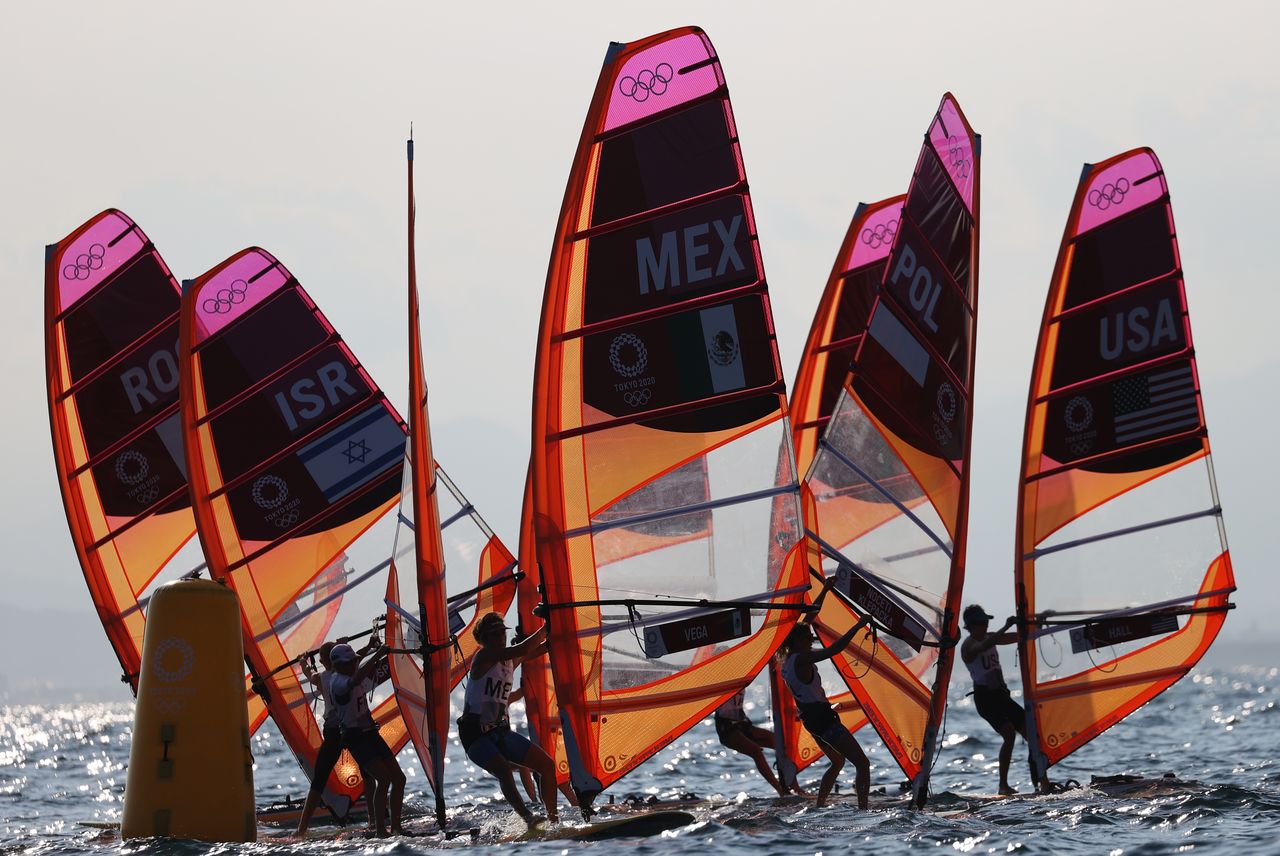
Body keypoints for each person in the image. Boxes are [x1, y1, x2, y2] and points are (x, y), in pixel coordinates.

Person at [459, 613, 560, 828]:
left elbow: (538, 649)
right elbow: (523, 649)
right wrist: (544, 626)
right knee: (504, 770)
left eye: (501, 633)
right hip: (475, 735)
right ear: (484, 640)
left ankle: (553, 820)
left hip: (500, 732)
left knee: (547, 766)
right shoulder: (483, 657)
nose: (500, 637)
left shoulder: (508, 660)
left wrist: (559, 631)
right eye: (494, 634)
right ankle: (528, 818)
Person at [780, 614, 871, 809]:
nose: (811, 641)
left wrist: (826, 590)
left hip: (811, 721)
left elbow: (806, 620)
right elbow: (835, 649)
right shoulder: (800, 660)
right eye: (808, 638)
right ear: (796, 640)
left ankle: (819, 806)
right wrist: (858, 626)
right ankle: (864, 809)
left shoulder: (786, 661)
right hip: (823, 720)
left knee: (837, 762)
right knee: (862, 763)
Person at [294, 640, 378, 836]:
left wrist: (303, 660)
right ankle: (373, 820)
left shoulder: (322, 678)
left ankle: (301, 830)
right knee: (367, 773)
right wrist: (370, 645)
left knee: (319, 780)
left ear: (324, 661)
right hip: (352, 729)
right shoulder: (349, 672)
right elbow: (358, 657)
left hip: (333, 732)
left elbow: (308, 672)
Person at [959, 604, 1044, 795]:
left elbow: (1016, 637)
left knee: (1031, 733)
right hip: (985, 700)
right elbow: (984, 646)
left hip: (1001, 696)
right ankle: (1003, 785)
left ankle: (1040, 780)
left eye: (987, 622)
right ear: (971, 626)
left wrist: (1036, 626)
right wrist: (1005, 627)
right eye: (982, 622)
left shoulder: (990, 637)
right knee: (1009, 734)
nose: (986, 626)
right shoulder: (968, 646)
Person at [329, 642, 407, 837]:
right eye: (349, 663)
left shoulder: (349, 670)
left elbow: (358, 667)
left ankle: (396, 828)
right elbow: (356, 679)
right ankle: (381, 830)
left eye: (354, 662)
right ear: (336, 666)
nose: (353, 665)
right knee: (384, 779)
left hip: (371, 734)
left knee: (399, 778)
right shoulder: (337, 682)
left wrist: (371, 647)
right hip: (356, 739)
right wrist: (378, 654)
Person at [713, 687, 795, 796]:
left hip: (742, 725)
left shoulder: (742, 680)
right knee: (756, 751)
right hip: (727, 729)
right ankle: (781, 791)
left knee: (779, 742)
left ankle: (795, 787)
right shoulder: (724, 680)